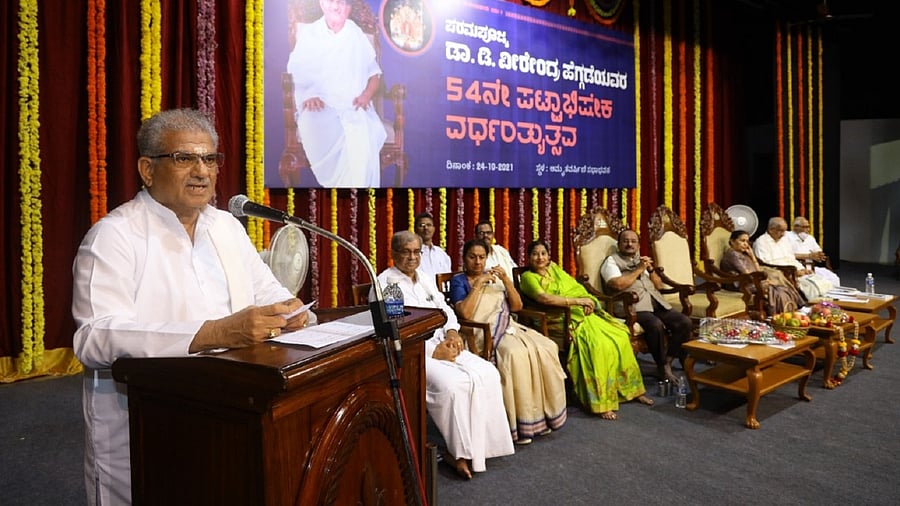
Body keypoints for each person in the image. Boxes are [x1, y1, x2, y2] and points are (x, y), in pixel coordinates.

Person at [71, 109, 315, 505]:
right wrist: (215, 333)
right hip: (144, 424)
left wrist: (292, 313)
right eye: (184, 159)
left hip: (230, 411)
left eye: (210, 159)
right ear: (147, 169)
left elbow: (268, 292)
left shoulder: (226, 227)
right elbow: (94, 338)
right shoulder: (114, 236)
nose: (202, 171)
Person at [373, 231, 514, 479]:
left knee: (488, 373)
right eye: (406, 252)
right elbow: (395, 330)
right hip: (415, 354)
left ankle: (481, 449)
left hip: (444, 344)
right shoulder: (388, 284)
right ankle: (457, 452)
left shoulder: (425, 279)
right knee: (454, 385)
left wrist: (451, 333)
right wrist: (432, 351)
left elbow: (446, 309)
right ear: (394, 254)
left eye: (416, 252)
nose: (412, 257)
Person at [449, 239, 567, 445]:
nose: (478, 262)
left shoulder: (494, 278)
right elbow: (466, 313)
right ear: (464, 259)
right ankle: (521, 425)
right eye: (472, 257)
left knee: (547, 346)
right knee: (514, 355)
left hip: (507, 325)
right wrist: (477, 286)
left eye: (482, 257)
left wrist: (506, 280)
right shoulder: (459, 281)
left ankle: (543, 416)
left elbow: (517, 306)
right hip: (480, 332)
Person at [519, 239, 653, 420]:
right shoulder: (528, 277)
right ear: (528, 258)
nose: (540, 257)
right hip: (558, 319)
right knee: (597, 345)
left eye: (543, 253)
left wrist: (586, 300)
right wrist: (578, 301)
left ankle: (631, 389)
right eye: (535, 254)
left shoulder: (555, 269)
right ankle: (600, 401)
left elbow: (576, 288)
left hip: (579, 313)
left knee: (620, 335)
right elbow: (545, 299)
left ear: (549, 256)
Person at [286, 0, 386, 187]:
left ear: (349, 8)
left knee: (360, 132)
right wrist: (308, 94)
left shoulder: (355, 33)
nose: (337, 7)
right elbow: (295, 74)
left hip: (353, 105)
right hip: (319, 105)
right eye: (332, 1)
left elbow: (375, 75)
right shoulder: (310, 34)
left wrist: (366, 96)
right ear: (322, 4)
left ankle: (356, 194)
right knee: (312, 122)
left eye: (342, 2)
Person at [600, 229, 693, 385]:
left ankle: (668, 361)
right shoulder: (611, 261)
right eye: (625, 241)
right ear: (619, 244)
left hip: (654, 303)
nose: (629, 244)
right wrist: (639, 270)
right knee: (655, 325)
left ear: (638, 244)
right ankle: (661, 365)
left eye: (633, 241)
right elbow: (617, 284)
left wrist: (650, 269)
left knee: (684, 322)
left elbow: (658, 285)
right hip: (631, 307)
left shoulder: (640, 260)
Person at [720, 230, 805, 315]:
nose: (746, 244)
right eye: (742, 241)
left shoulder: (743, 254)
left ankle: (788, 313)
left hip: (751, 280)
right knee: (776, 289)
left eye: (747, 241)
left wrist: (752, 256)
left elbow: (757, 271)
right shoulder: (733, 254)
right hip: (740, 284)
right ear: (732, 241)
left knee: (781, 288)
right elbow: (747, 274)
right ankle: (781, 314)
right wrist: (764, 281)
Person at [753, 217, 833, 300]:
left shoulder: (784, 240)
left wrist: (803, 269)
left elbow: (791, 258)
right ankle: (810, 308)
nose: (783, 234)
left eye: (785, 230)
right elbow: (766, 265)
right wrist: (794, 272)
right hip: (780, 276)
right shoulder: (761, 242)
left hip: (794, 271)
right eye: (781, 231)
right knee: (810, 288)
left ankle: (825, 306)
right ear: (771, 230)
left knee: (823, 282)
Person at [785, 216, 841, 287]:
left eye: (809, 227)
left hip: (811, 268)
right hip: (796, 269)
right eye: (805, 227)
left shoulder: (810, 238)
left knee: (833, 278)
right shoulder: (787, 236)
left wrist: (819, 256)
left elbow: (818, 252)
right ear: (796, 227)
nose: (808, 229)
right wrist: (808, 256)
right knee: (813, 284)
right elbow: (786, 255)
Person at [414, 211, 451, 281]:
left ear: (434, 229)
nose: (426, 228)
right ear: (415, 229)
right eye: (422, 225)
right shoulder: (413, 253)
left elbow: (447, 277)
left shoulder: (441, 254)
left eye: (429, 225)